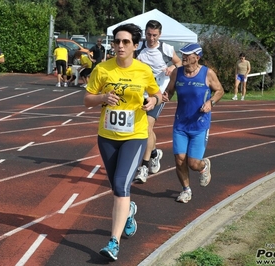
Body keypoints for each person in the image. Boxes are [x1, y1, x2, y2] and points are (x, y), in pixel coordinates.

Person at [83, 23, 162, 261]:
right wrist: (102, 98)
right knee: (117, 186)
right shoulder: (103, 69)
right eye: (116, 41)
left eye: (125, 42)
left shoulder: (143, 70)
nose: (119, 45)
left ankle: (113, 242)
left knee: (120, 184)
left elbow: (157, 93)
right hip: (107, 136)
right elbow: (87, 99)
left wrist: (153, 101)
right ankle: (129, 212)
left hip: (135, 136)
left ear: (135, 46)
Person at [163, 43, 224, 203]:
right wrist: (163, 97)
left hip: (199, 125)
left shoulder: (207, 73)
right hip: (180, 125)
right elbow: (169, 91)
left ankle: (203, 166)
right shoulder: (177, 73)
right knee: (179, 159)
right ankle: (186, 190)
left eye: (187, 54)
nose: (183, 57)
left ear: (197, 57)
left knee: (193, 163)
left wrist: (211, 102)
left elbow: (219, 90)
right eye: (182, 54)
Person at [133, 19, 182, 183]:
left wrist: (172, 68)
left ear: (159, 35)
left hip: (158, 93)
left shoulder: (166, 49)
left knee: (147, 126)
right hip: (140, 93)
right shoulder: (138, 47)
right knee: (142, 128)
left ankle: (144, 167)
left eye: (154, 35)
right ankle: (154, 153)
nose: (151, 38)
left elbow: (179, 62)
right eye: (148, 34)